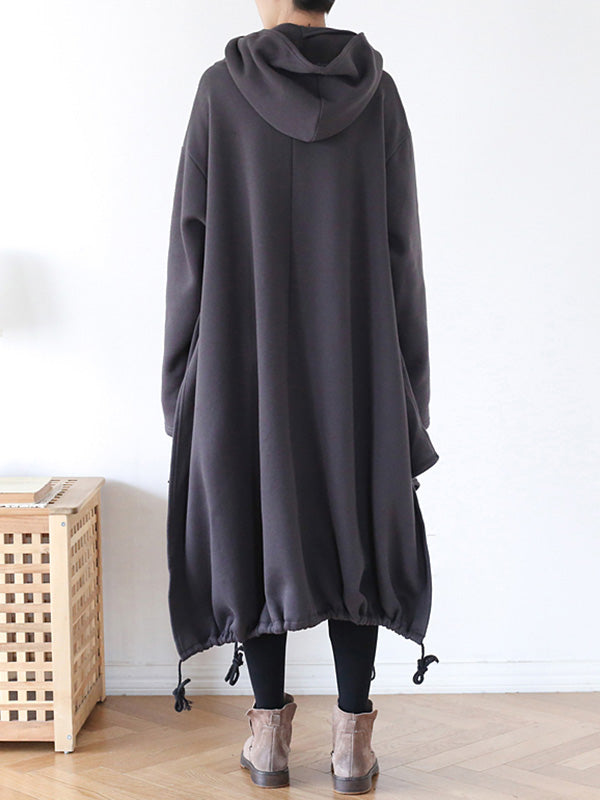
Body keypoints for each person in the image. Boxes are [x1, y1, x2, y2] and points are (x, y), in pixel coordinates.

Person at [161, 0, 440, 792]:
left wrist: (179, 380)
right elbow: (402, 252)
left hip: (244, 358)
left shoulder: (221, 91)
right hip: (355, 359)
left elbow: (190, 243)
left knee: (257, 521)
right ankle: (351, 747)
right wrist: (410, 390)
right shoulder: (378, 95)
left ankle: (269, 741)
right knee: (354, 525)